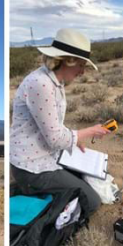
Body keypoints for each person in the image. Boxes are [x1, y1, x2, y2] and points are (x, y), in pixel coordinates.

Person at [10, 28, 111, 220]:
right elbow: (55, 138)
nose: (82, 72)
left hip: (44, 156)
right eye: (81, 65)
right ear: (67, 61)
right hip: (32, 167)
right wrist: (88, 132)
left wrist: (75, 140)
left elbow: (52, 126)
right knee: (91, 201)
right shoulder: (42, 84)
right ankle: (33, 197)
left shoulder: (53, 81)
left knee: (92, 175)